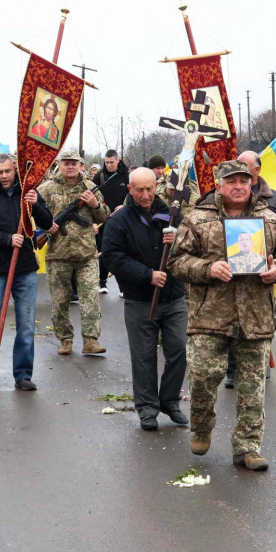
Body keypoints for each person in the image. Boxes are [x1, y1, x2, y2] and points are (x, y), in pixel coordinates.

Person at [169, 160, 276, 471]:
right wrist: (207, 268)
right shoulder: (198, 220)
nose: (239, 186)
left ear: (251, 183)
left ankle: (248, 447)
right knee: (202, 377)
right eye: (232, 181)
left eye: (244, 180)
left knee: (252, 387)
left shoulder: (269, 221)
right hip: (209, 317)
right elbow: (177, 262)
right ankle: (201, 427)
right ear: (219, 185)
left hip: (255, 317)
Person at [101, 167, 189, 432]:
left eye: (149, 188)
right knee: (143, 356)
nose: (145, 194)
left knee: (180, 349)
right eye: (139, 189)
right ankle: (148, 408)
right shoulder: (119, 220)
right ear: (130, 190)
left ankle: (170, 401)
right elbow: (112, 256)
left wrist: (178, 241)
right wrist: (146, 275)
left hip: (174, 297)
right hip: (140, 299)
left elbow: (191, 248)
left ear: (156, 186)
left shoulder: (173, 216)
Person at [0, 153, 53, 390]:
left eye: (8, 171)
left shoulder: (27, 193)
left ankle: (23, 374)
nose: (4, 176)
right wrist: (7, 239)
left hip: (25, 268)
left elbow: (48, 223)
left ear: (14, 170)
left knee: (26, 324)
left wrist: (36, 204)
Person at [38, 151, 109, 357]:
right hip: (58, 255)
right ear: (59, 165)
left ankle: (91, 340)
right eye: (66, 163)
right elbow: (33, 214)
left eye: (74, 163)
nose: (70, 167)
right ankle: (65, 340)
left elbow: (105, 215)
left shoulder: (89, 188)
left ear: (81, 166)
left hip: (86, 254)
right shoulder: (47, 189)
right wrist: (46, 226)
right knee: (60, 301)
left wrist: (94, 204)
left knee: (90, 298)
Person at [92, 149, 129, 293]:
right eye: (106, 162)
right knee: (103, 251)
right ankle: (102, 282)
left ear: (118, 160)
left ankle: (123, 286)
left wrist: (125, 206)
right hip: (103, 219)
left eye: (111, 162)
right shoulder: (99, 177)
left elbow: (132, 195)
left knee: (122, 252)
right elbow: (92, 199)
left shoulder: (126, 176)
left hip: (121, 219)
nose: (108, 165)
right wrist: (94, 221)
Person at [237, 150, 276, 231]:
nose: (238, 170)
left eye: (243, 167)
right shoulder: (228, 195)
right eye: (237, 166)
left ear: (257, 170)